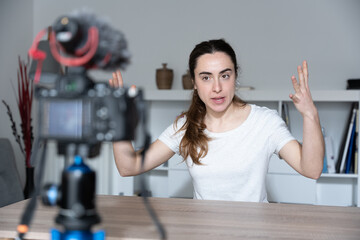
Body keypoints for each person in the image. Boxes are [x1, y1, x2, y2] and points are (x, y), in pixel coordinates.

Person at [110, 39, 324, 202]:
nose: (217, 88)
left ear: (235, 76)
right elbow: (128, 167)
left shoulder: (265, 122)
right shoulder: (185, 127)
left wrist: (310, 115)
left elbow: (311, 169)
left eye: (224, 75)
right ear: (193, 82)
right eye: (206, 77)